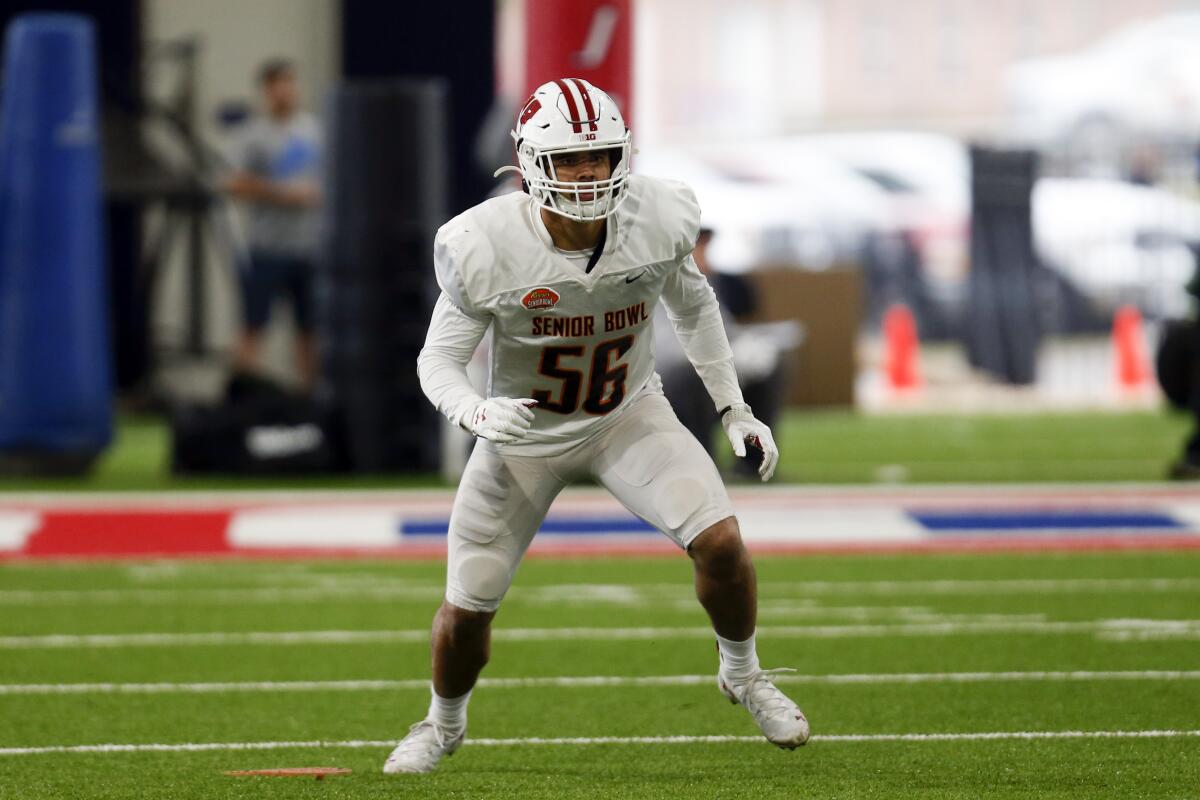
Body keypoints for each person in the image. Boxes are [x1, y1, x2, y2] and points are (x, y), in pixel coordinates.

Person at [386, 78, 808, 775]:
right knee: (467, 609)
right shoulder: (484, 243)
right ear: (527, 167)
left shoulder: (657, 216)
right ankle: (443, 723)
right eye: (569, 161)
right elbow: (439, 361)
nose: (587, 175)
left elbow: (696, 309)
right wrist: (475, 410)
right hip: (523, 437)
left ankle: (743, 673)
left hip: (625, 415)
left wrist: (734, 407)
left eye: (600, 157)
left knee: (724, 544)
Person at [226, 58, 322, 390]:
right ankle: (241, 397)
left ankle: (311, 399)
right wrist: (281, 193)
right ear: (267, 91)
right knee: (253, 326)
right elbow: (233, 184)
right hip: (266, 250)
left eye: (289, 83)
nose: (284, 91)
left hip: (309, 250)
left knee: (310, 330)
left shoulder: (315, 131)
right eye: (276, 85)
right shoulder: (252, 135)